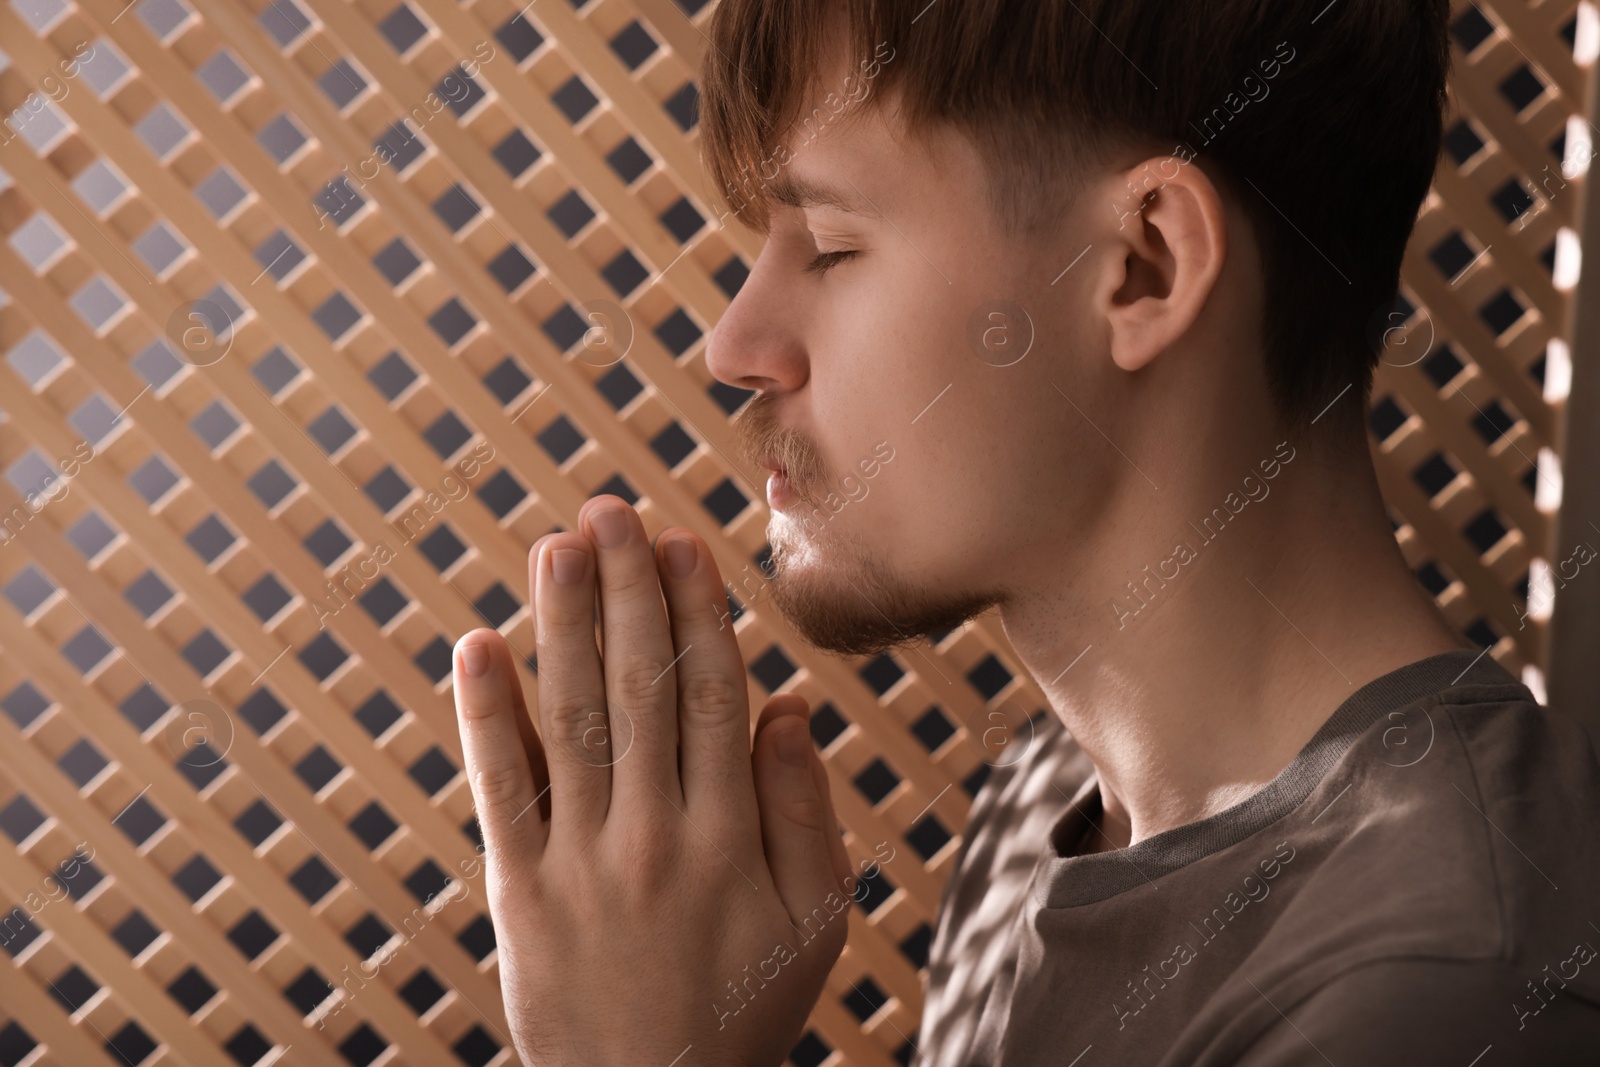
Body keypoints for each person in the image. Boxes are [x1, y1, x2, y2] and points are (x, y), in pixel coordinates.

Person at [450, 0, 1600, 1062]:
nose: (735, 344)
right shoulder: (1045, 809)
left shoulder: (1442, 991)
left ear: (1140, 266)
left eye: (833, 246)